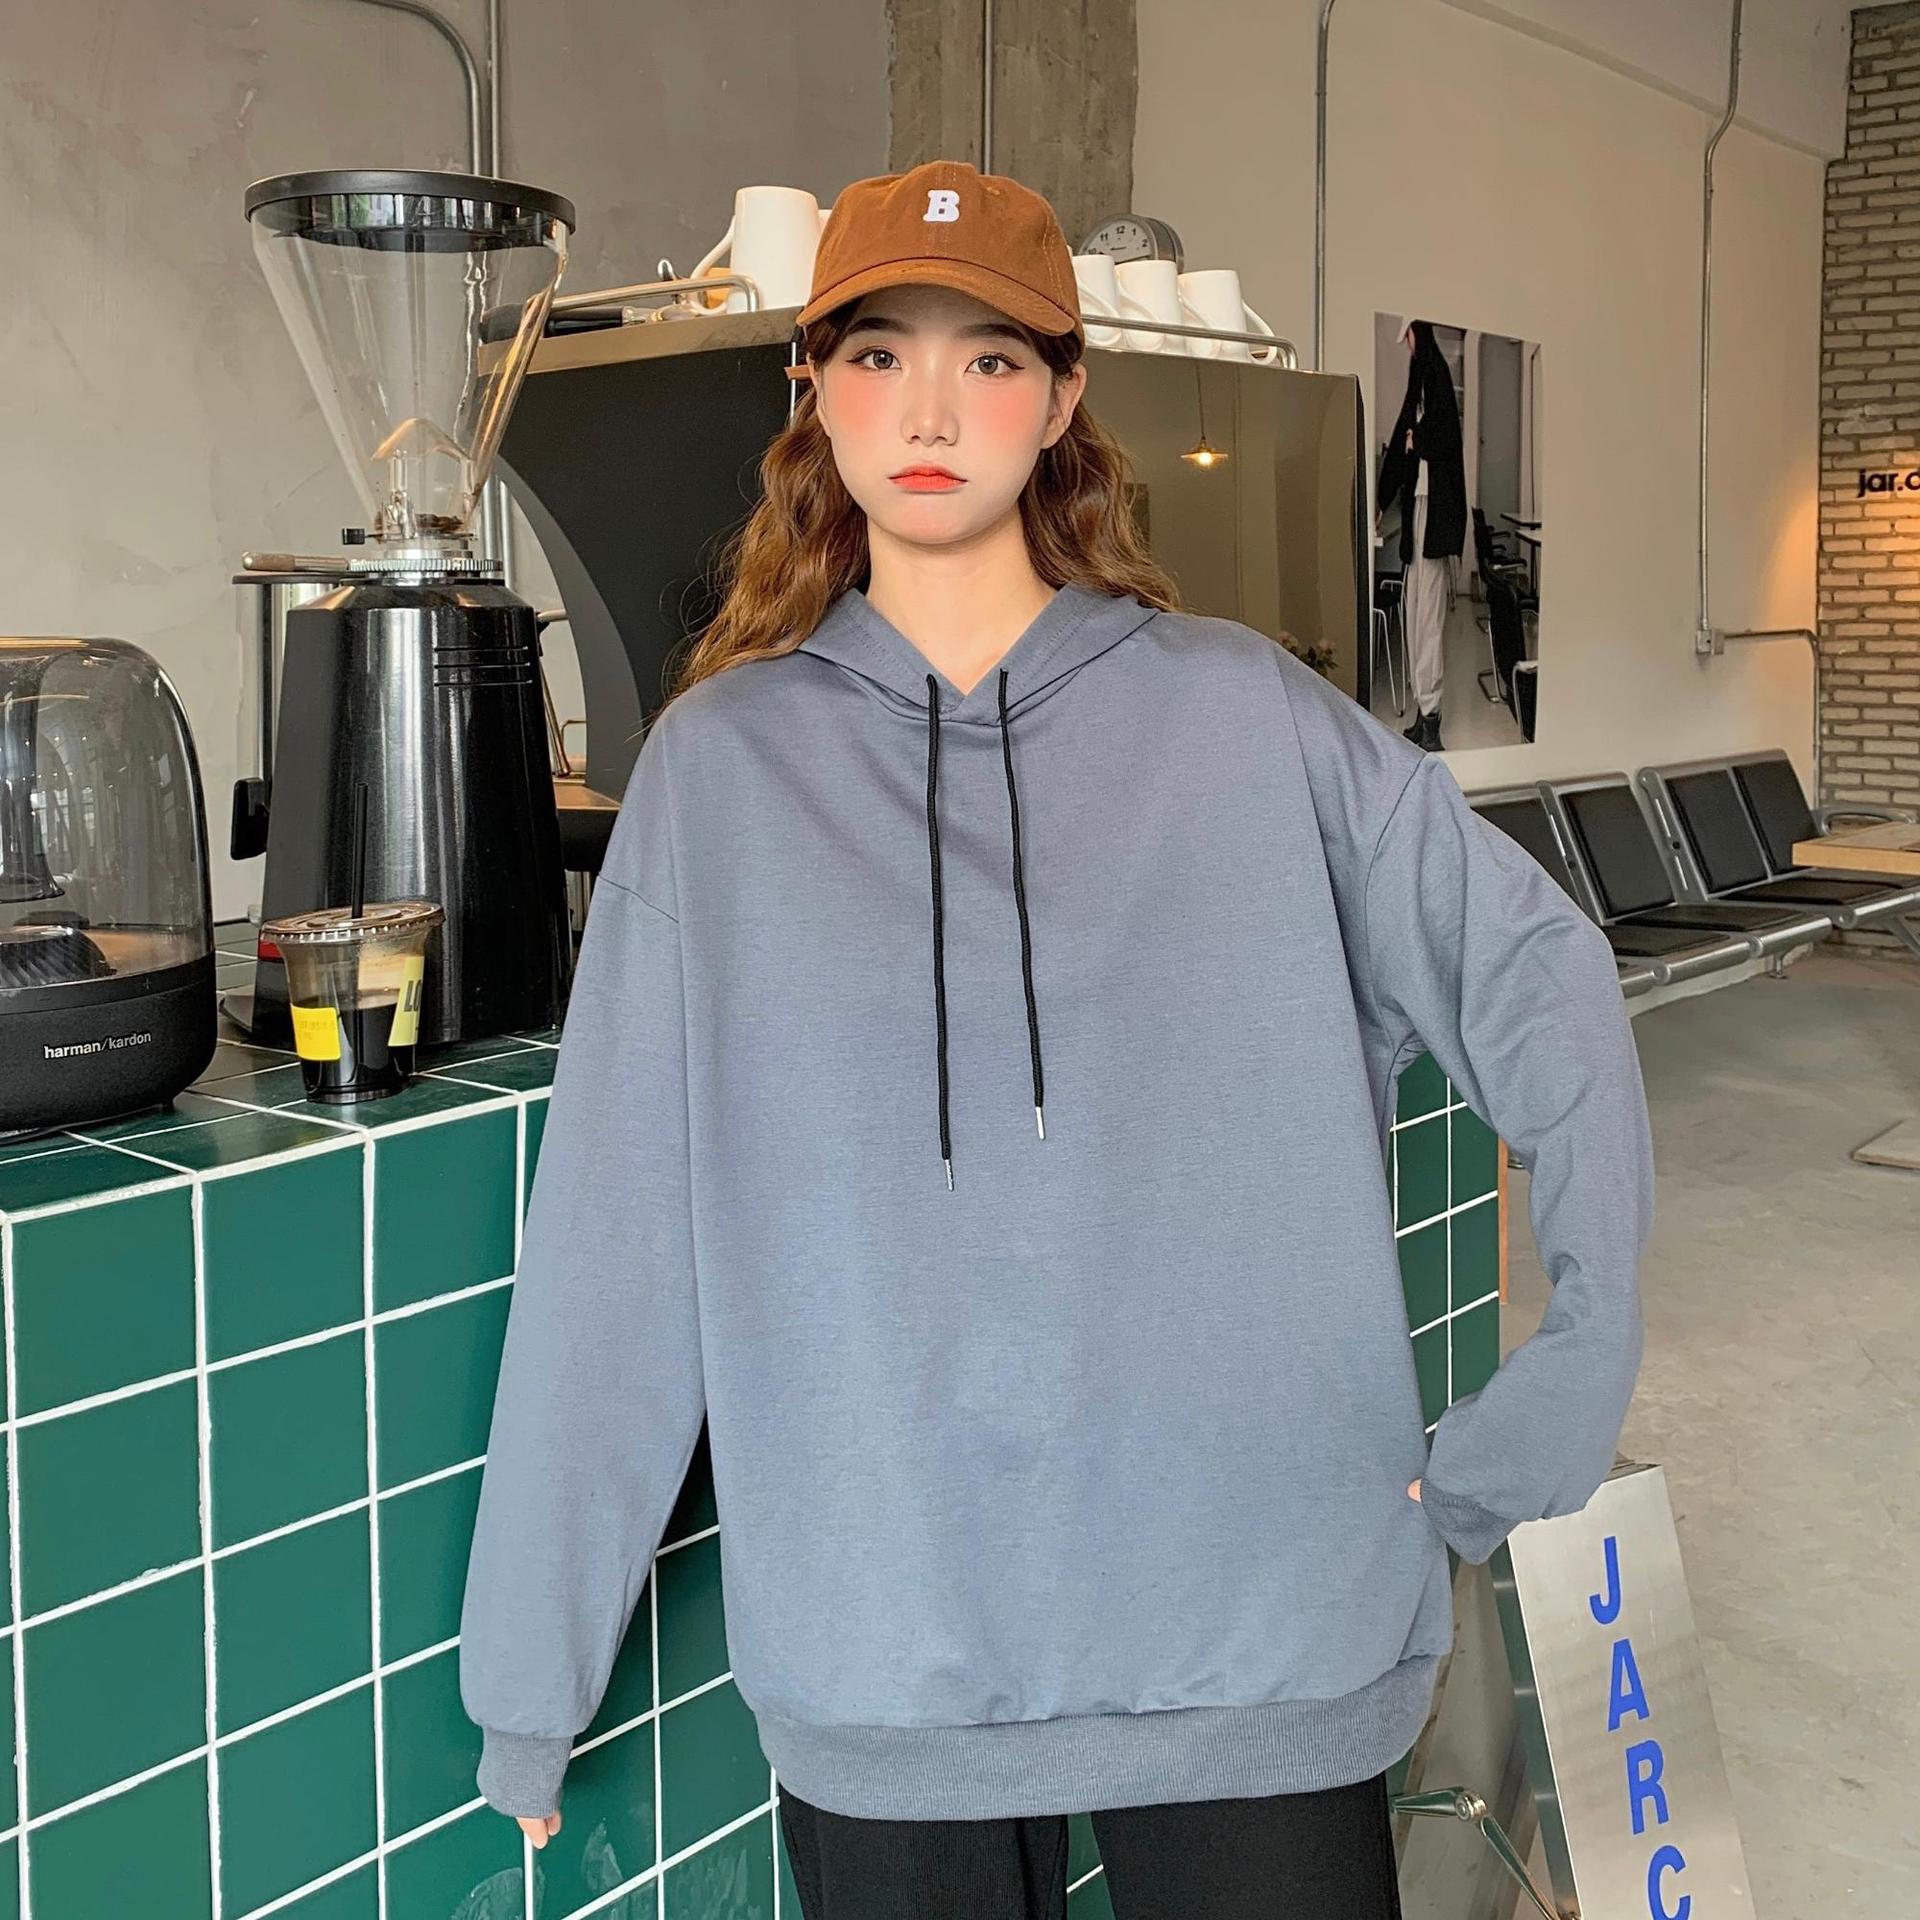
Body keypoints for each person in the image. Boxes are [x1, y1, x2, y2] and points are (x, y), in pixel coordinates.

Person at [457, 159, 1654, 1919]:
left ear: (1064, 395)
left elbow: (1543, 977)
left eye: (992, 358)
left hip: (1267, 1638)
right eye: (879, 353)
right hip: (888, 1665)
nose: (931, 409)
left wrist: (1567, 1384)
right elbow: (615, 1253)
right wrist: (530, 1679)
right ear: (813, 390)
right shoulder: (718, 780)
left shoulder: (1250, 717)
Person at [1377, 318, 1467, 752]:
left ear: (1417, 335)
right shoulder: (1427, 383)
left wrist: (1418, 440)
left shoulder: (1434, 379)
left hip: (1432, 517)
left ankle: (1431, 719)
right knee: (1416, 616)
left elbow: (1442, 438)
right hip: (1421, 515)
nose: (1409, 348)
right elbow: (1403, 439)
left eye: (1410, 339)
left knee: (1426, 619)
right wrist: (1385, 494)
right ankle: (1423, 712)